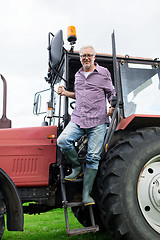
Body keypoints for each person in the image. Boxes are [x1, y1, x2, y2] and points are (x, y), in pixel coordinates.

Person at [57, 46, 116, 206]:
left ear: (94, 57)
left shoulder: (103, 73)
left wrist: (112, 105)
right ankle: (76, 168)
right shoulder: (78, 75)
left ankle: (86, 195)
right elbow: (79, 94)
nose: (86, 58)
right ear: (80, 57)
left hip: (98, 121)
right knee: (62, 141)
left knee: (93, 157)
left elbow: (111, 93)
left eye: (89, 55)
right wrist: (65, 93)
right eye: (83, 55)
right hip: (79, 118)